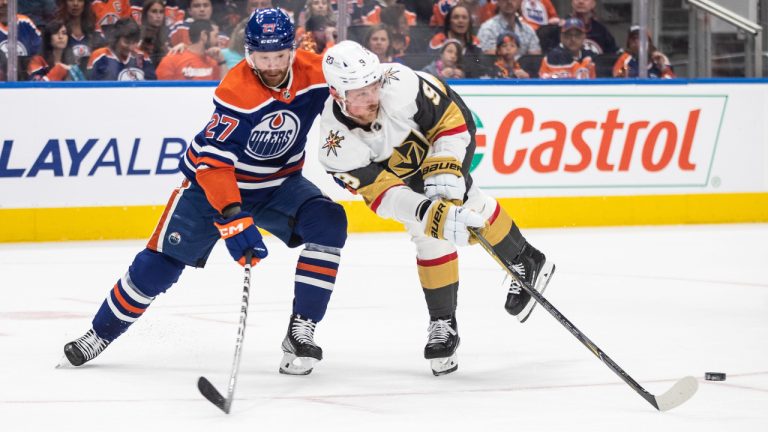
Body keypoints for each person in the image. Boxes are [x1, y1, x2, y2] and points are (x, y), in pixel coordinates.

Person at [62, 9, 346, 377]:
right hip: (211, 188)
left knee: (328, 222)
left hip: (279, 184)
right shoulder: (237, 91)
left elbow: (357, 99)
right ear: (249, 54)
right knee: (158, 267)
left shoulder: (318, 72)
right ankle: (99, 334)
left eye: (280, 56)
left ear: (293, 50)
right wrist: (232, 216)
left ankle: (301, 330)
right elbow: (213, 166)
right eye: (264, 58)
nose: (273, 66)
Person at [318, 40, 555, 376]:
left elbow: (451, 118)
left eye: (373, 86)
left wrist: (445, 163)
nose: (372, 97)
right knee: (426, 231)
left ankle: (524, 259)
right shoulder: (335, 145)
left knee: (462, 197)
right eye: (360, 93)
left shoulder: (398, 82)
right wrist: (428, 214)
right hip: (404, 182)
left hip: (445, 139)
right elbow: (384, 195)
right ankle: (445, 321)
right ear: (337, 93)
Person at [87, 17, 156, 80]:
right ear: (116, 38)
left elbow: (153, 86)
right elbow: (92, 87)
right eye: (127, 42)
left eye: (134, 42)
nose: (131, 47)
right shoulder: (99, 57)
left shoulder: (142, 58)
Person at [156, 19, 223, 80]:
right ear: (204, 35)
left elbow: (222, 86)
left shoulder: (214, 62)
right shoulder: (171, 60)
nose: (218, 41)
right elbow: (161, 88)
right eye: (215, 36)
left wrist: (222, 62)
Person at [54, 0, 104, 68]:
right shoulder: (56, 31)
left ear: (85, 3)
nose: (75, 4)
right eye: (71, 0)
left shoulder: (94, 31)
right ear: (64, 2)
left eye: (80, 0)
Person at [139, 0, 170, 66]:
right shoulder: (138, 35)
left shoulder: (169, 34)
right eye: (154, 11)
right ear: (145, 14)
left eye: (161, 12)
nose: (158, 16)